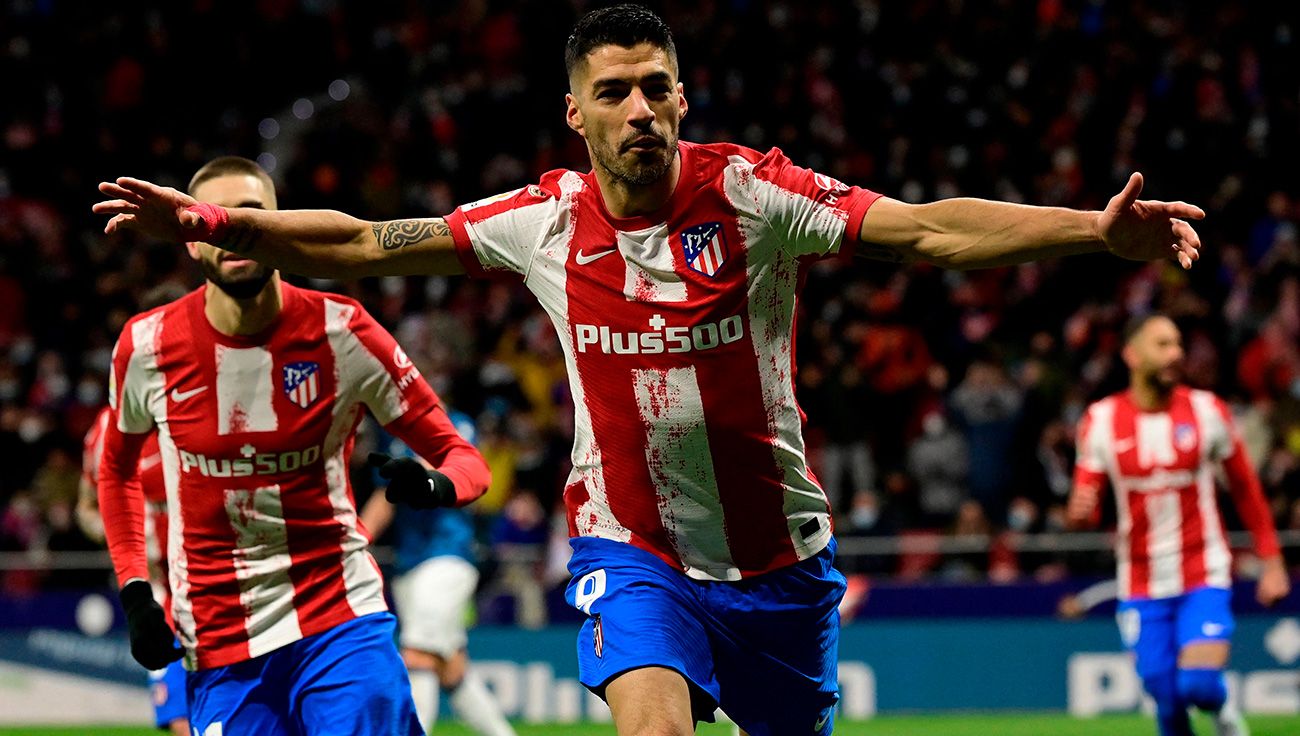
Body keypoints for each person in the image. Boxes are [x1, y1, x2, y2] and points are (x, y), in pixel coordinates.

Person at [92, 6, 1206, 733]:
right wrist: (208, 220)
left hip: (779, 560)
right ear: (574, 112)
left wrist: (1090, 234)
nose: (641, 109)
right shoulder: (542, 219)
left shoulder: (755, 197)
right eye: (616, 91)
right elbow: (371, 238)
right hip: (636, 552)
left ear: (682, 99)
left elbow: (924, 230)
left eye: (657, 88)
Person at [95, 156, 491, 736]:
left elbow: (463, 457)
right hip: (220, 638)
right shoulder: (146, 345)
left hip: (339, 616)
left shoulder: (344, 332)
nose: (227, 230)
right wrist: (134, 589)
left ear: (280, 229)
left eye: (247, 217)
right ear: (189, 244)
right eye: (210, 221)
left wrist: (439, 484)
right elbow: (116, 471)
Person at [1068, 314, 1291, 736]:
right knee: (1168, 704)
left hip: (1202, 571)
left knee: (1199, 685)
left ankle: (1222, 711)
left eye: (1178, 344)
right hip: (1140, 581)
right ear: (1131, 355)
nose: (1177, 354)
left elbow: (1245, 489)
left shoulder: (1207, 410)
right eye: (1163, 345)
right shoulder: (1100, 420)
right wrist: (1078, 513)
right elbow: (1086, 506)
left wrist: (1272, 561)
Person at [79, 282, 190, 736]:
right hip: (158, 595)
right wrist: (122, 532)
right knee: (181, 718)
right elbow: (88, 506)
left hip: (219, 580)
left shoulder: (210, 403)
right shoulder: (108, 428)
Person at [360, 420, 517, 736]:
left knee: (418, 653)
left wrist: (416, 468)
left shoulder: (455, 423)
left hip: (448, 555)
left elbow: (459, 469)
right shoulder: (392, 437)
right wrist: (356, 539)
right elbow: (384, 498)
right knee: (451, 667)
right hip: (410, 564)